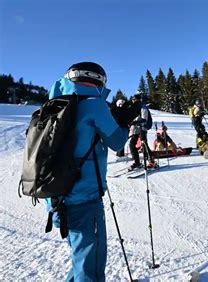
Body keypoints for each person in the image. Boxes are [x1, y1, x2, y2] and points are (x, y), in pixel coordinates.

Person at [48, 62, 139, 281]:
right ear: (99, 81)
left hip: (55, 197)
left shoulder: (54, 105)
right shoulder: (94, 105)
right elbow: (117, 142)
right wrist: (125, 121)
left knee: (81, 260)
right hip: (84, 201)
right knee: (91, 269)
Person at [129, 93, 157, 170]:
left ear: (137, 99)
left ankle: (151, 161)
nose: (133, 101)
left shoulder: (143, 107)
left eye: (134, 99)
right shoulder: (134, 107)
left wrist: (136, 122)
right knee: (132, 144)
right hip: (136, 129)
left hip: (142, 127)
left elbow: (145, 118)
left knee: (144, 144)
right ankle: (137, 162)